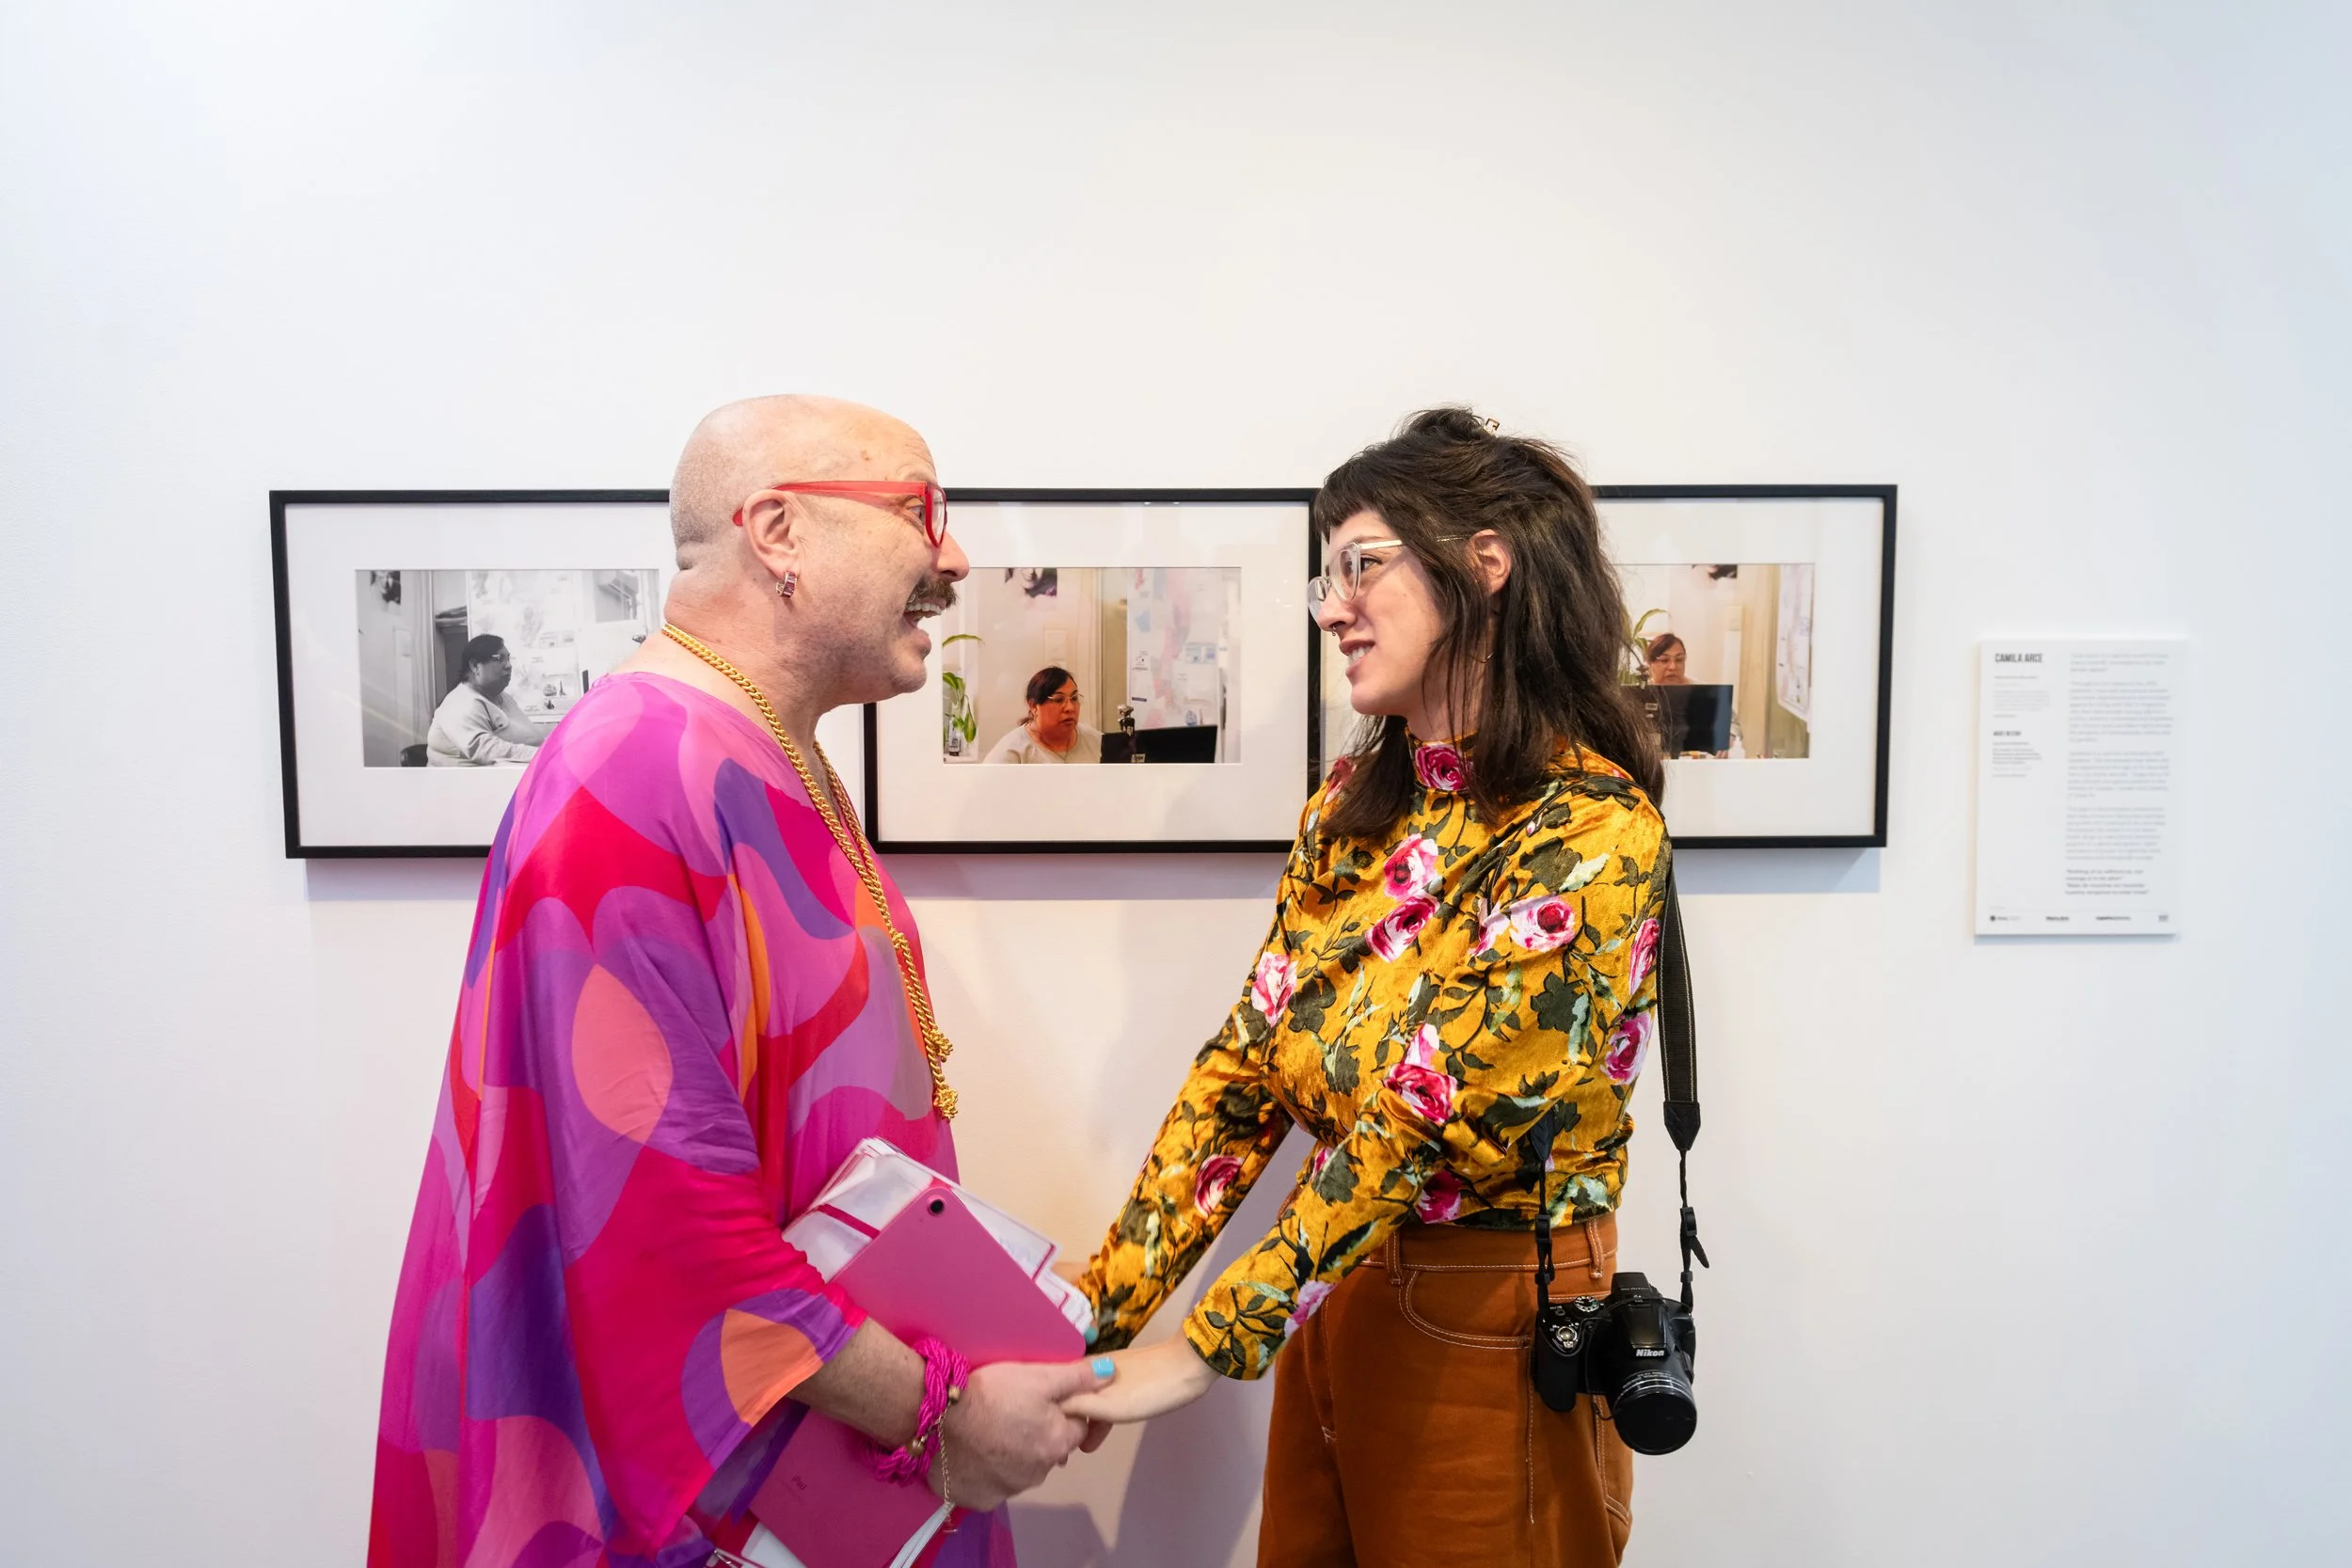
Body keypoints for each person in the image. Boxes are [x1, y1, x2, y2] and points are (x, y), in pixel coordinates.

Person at [369, 396, 1114, 1568]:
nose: (956, 557)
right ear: (778, 530)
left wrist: (979, 1336)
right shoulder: (631, 768)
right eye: (922, 511)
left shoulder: (767, 745)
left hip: (826, 1454)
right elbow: (669, 1232)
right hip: (721, 1501)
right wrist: (942, 1413)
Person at [1062, 408, 1672, 1567]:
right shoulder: (1353, 807)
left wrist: (1207, 1343)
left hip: (1491, 1311)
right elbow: (1245, 1068)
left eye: (1360, 564)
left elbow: (1427, 1116)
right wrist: (1097, 1312)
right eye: (1325, 575)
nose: (1332, 607)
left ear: (1483, 565)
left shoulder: (1589, 827)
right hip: (1336, 1283)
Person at [422, 633, 550, 765]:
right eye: (500, 659)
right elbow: (484, 749)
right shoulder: (459, 703)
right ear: (475, 666)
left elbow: (530, 736)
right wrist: (544, 755)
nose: (509, 666)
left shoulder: (502, 697)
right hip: (468, 778)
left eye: (508, 658)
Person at [980, 666, 1103, 764]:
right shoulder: (1011, 753)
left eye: (1074, 698)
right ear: (1034, 706)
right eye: (1059, 700)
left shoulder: (1097, 742)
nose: (1070, 708)